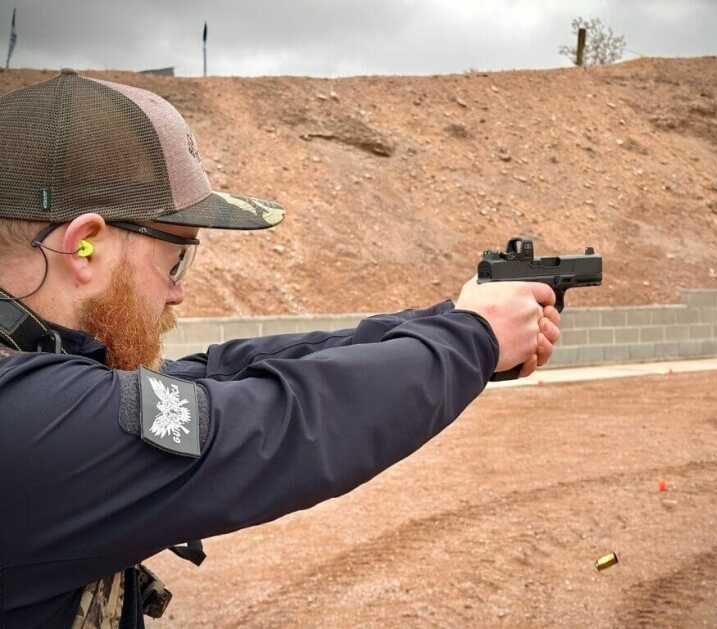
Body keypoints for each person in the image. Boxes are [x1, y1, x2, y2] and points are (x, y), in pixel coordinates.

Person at [0, 69, 561, 628]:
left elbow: (217, 375)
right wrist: (474, 339)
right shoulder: (31, 421)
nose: (178, 289)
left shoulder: (35, 376)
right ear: (85, 248)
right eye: (176, 258)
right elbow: (285, 419)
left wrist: (447, 322)